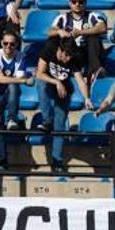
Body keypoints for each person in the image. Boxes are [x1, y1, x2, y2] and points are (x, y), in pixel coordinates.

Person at [35, 38, 93, 171]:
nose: (67, 59)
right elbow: (39, 73)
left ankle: (57, 161)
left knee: (60, 124)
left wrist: (87, 98)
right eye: (66, 55)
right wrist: (56, 82)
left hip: (64, 91)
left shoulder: (74, 59)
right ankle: (47, 120)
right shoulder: (49, 49)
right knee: (40, 83)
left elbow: (80, 81)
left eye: (70, 56)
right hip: (49, 83)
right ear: (60, 50)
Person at [0, 30, 32, 168]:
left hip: (10, 92)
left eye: (12, 44)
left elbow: (4, 78)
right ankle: (2, 161)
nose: (8, 47)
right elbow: (15, 79)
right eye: (5, 43)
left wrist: (0, 79)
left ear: (17, 45)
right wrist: (24, 81)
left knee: (12, 86)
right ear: (1, 43)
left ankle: (12, 118)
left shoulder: (21, 56)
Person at [49, 0, 107, 83]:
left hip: (89, 52)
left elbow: (102, 27)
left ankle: (96, 71)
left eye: (80, 2)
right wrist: (60, 31)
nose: (77, 4)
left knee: (93, 37)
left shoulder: (92, 16)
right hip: (72, 53)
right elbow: (50, 32)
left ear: (85, 3)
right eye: (74, 2)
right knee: (54, 40)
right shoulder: (62, 18)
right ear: (69, 3)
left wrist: (81, 32)